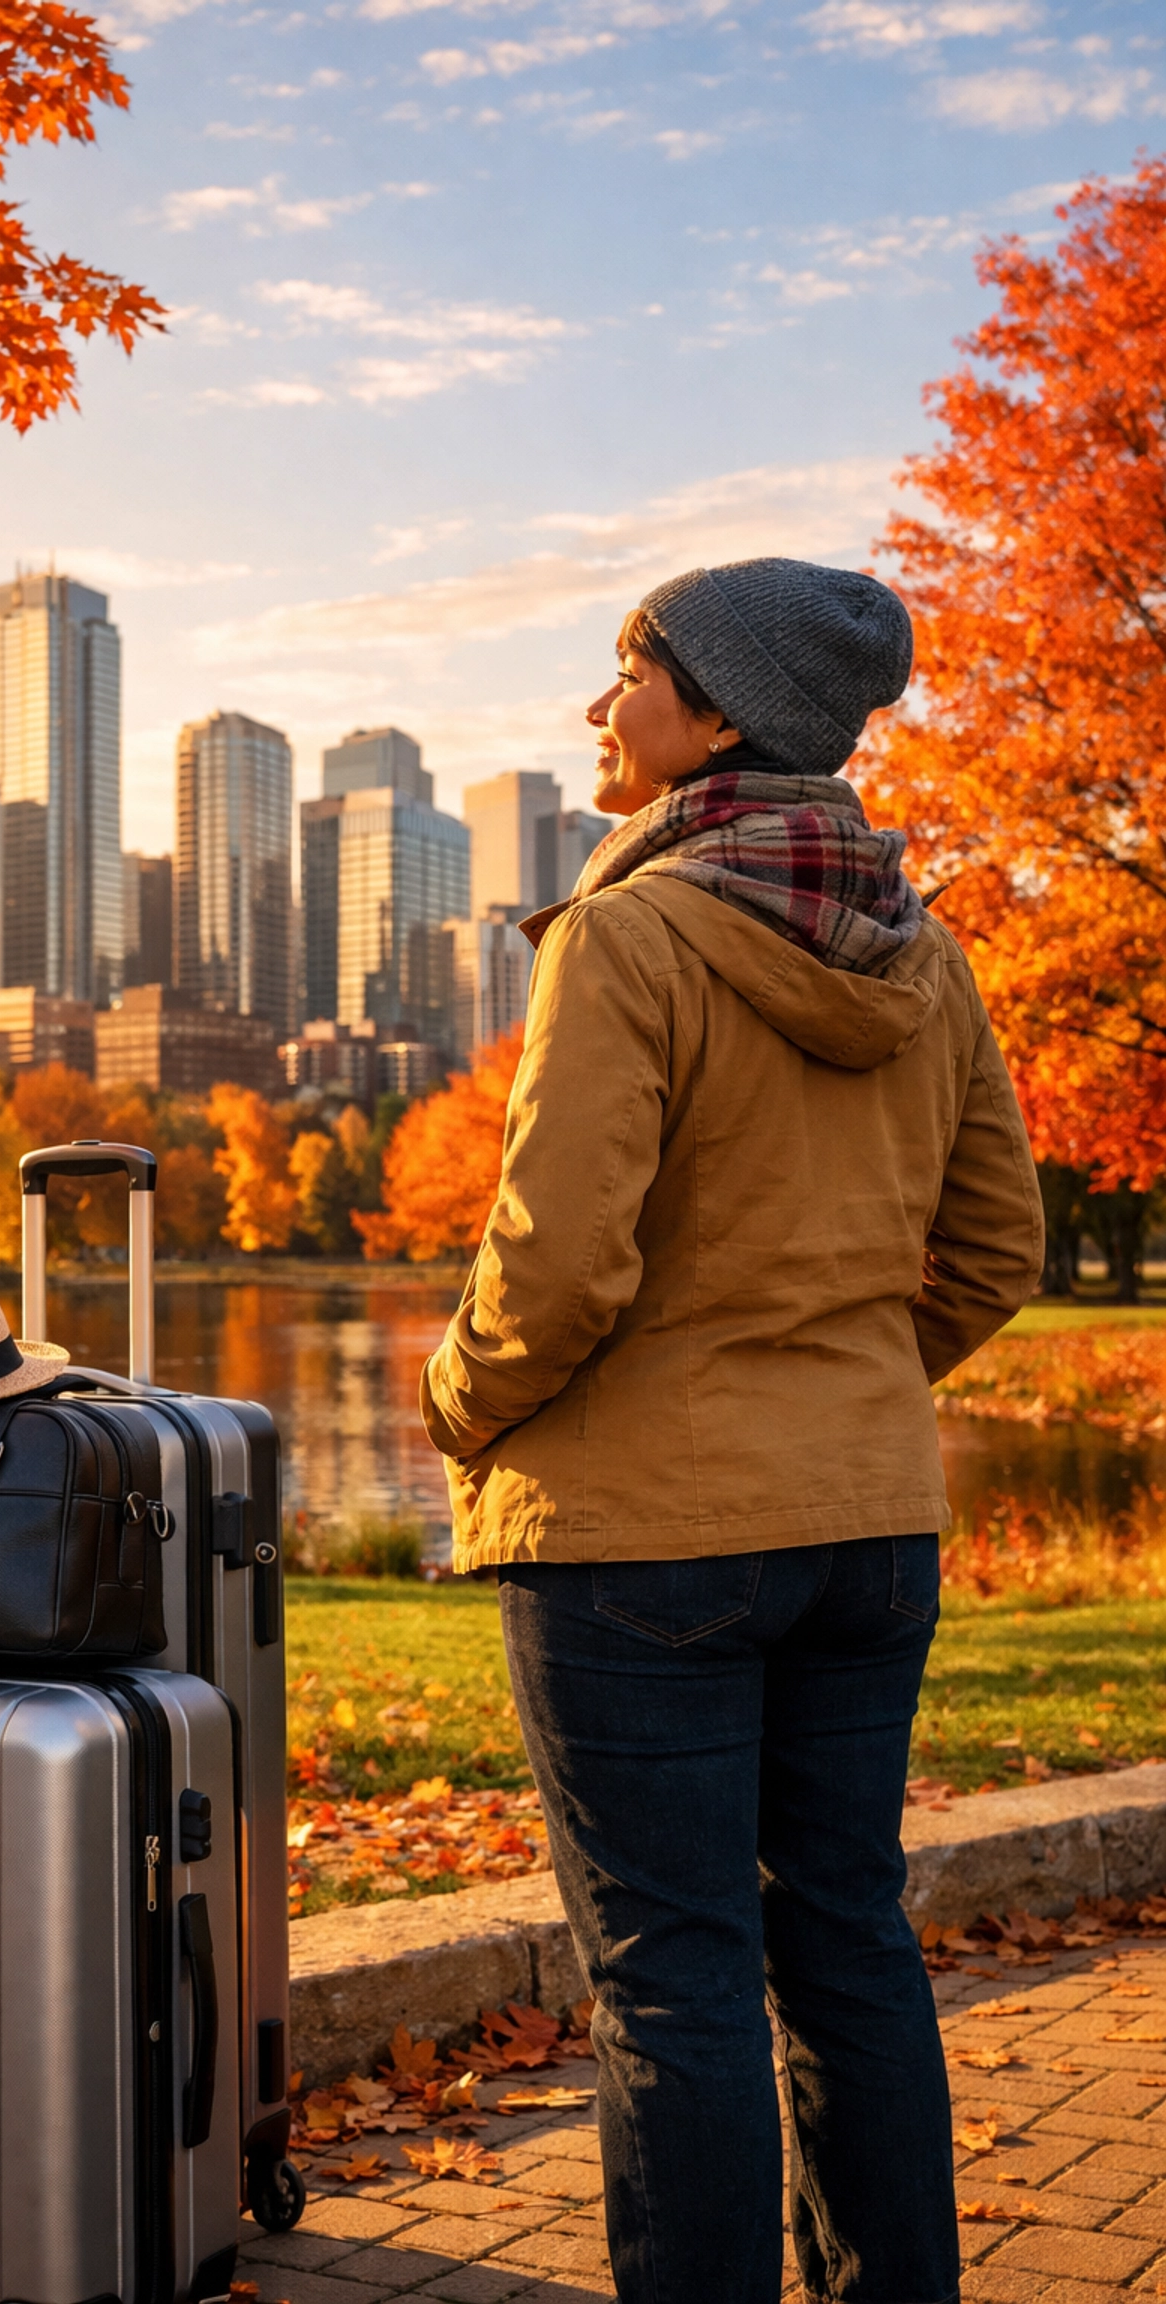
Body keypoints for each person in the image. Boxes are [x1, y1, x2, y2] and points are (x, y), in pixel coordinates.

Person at [419, 557, 1042, 2304]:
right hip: (867, 1531)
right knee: (847, 1943)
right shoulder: (930, 957)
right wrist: (841, 1391)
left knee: (673, 1977)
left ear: (713, 714)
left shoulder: (628, 934)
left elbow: (556, 1264)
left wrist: (456, 1407)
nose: (597, 708)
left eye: (627, 673)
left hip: (639, 1549)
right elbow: (999, 1251)